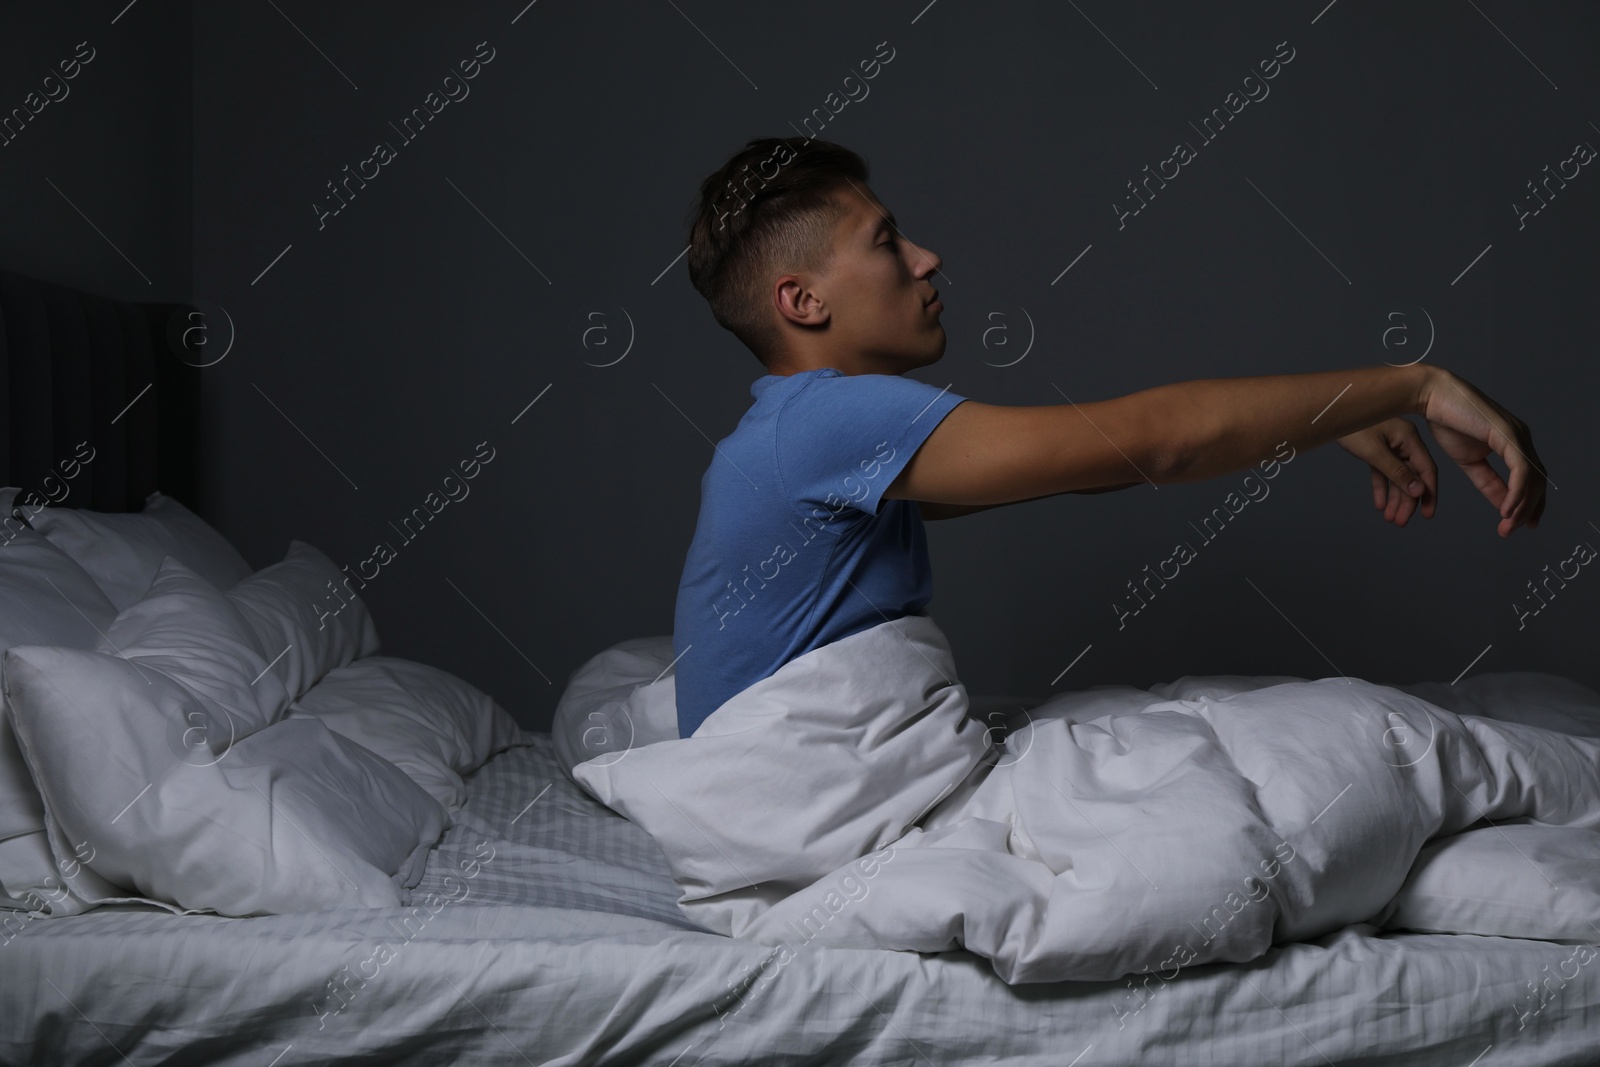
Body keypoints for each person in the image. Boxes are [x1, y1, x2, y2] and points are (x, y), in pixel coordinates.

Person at [669, 136, 1548, 740]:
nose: (927, 258)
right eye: (887, 239)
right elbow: (1155, 442)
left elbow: (1094, 465)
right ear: (803, 301)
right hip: (796, 800)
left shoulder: (802, 432)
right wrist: (1415, 384)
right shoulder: (824, 420)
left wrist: (1331, 421)